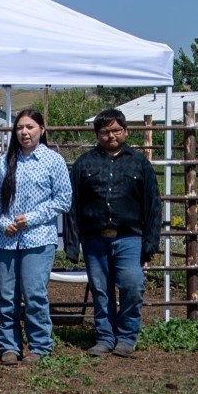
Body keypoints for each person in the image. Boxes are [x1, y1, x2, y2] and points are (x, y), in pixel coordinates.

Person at [73, 109, 160, 358]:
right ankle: (104, 337)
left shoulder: (140, 163)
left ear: (125, 131)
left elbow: (153, 205)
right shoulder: (84, 163)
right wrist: (74, 241)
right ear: (97, 134)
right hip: (94, 238)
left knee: (132, 286)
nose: (110, 135)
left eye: (115, 130)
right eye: (104, 131)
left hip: (129, 237)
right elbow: (73, 204)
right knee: (101, 290)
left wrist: (149, 243)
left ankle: (126, 336)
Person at [0, 109, 72, 365]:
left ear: (42, 129)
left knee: (34, 292)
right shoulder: (4, 162)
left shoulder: (53, 161)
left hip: (38, 238)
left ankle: (39, 345)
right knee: (7, 294)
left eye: (30, 127)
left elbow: (63, 200)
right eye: (20, 128)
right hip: (7, 239)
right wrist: (3, 222)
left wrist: (32, 218)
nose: (24, 132)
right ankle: (9, 346)